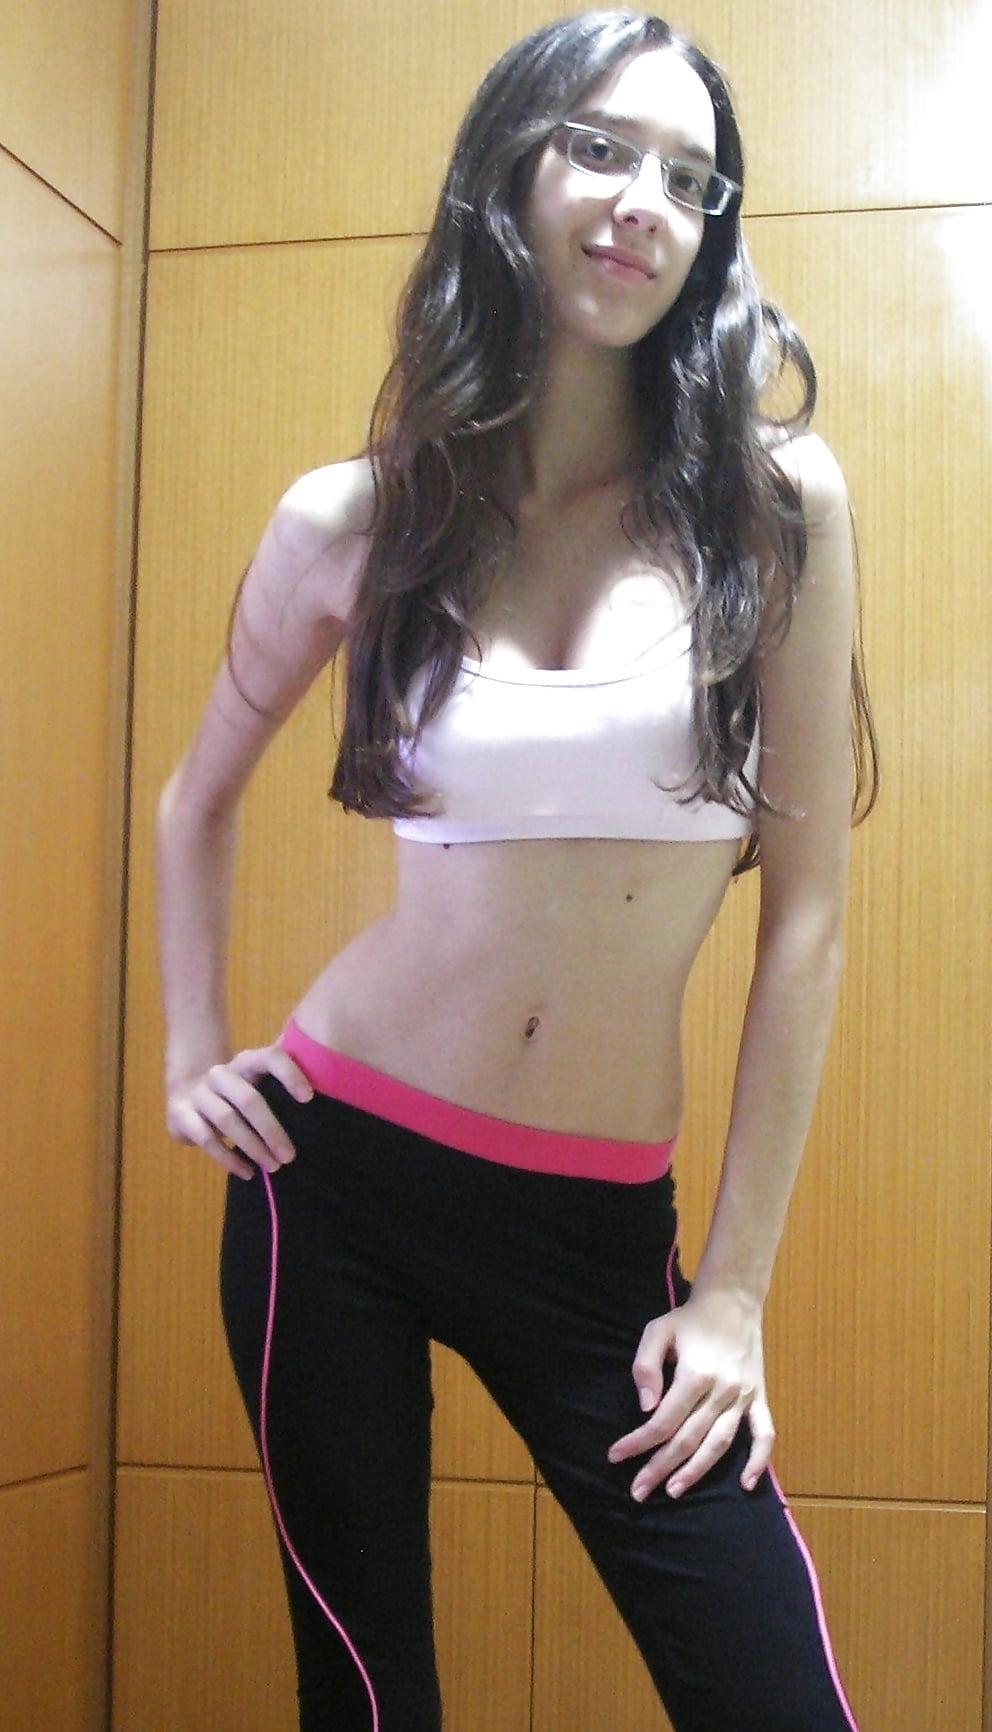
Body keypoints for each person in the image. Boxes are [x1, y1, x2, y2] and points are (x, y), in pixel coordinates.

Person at [156, 10, 879, 1730]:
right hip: (333, 1180)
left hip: (597, 1234)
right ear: (510, 171)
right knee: (369, 1700)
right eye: (603, 150)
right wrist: (192, 1053)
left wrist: (734, 1292)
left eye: (692, 179)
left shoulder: (774, 502)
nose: (646, 203)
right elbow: (195, 800)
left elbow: (807, 922)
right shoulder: (357, 519)